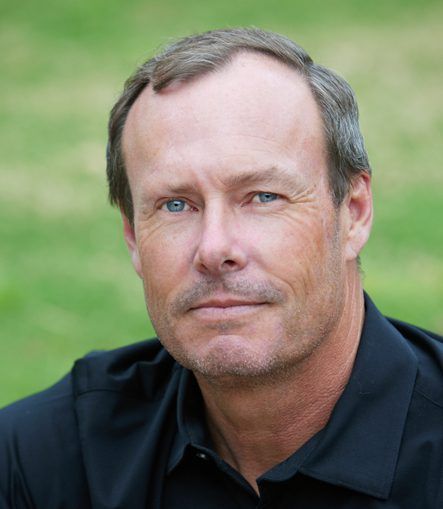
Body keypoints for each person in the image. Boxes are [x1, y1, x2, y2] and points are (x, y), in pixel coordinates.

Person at [0, 28, 442, 509]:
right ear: (132, 235)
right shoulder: (51, 462)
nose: (214, 248)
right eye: (175, 205)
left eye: (263, 197)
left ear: (353, 213)